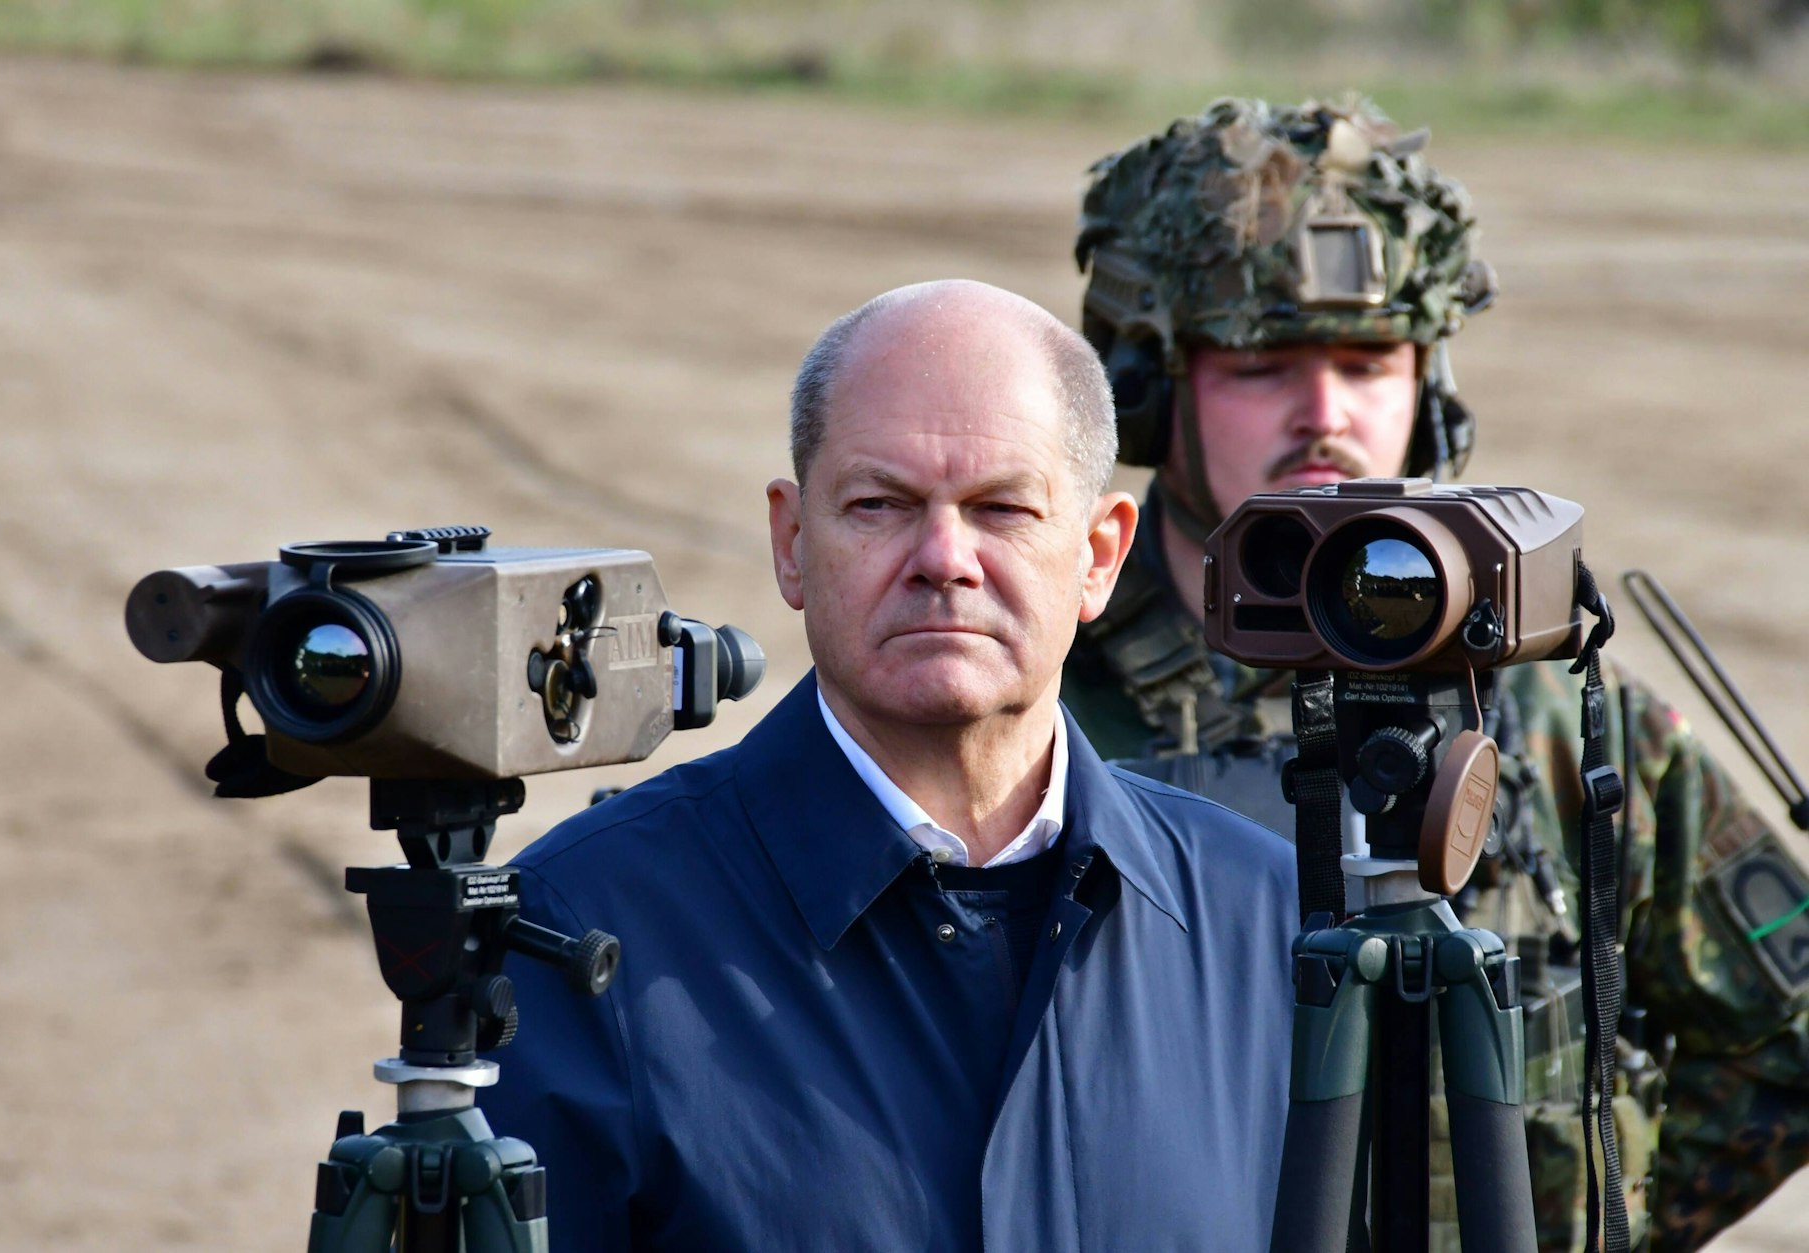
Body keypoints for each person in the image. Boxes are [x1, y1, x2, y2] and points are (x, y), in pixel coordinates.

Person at [1063, 97, 1809, 1252]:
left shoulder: (1547, 709)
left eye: (1368, 362)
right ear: (1153, 390)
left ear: (1430, 383)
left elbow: (1787, 1036)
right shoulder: (1038, 716)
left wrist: (1606, 1221)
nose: (1324, 416)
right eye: (1262, 366)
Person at [479, 279, 1301, 1251]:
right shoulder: (572, 937)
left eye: (1001, 507)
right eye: (879, 504)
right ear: (791, 541)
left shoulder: (1266, 919)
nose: (943, 556)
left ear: (1097, 554)